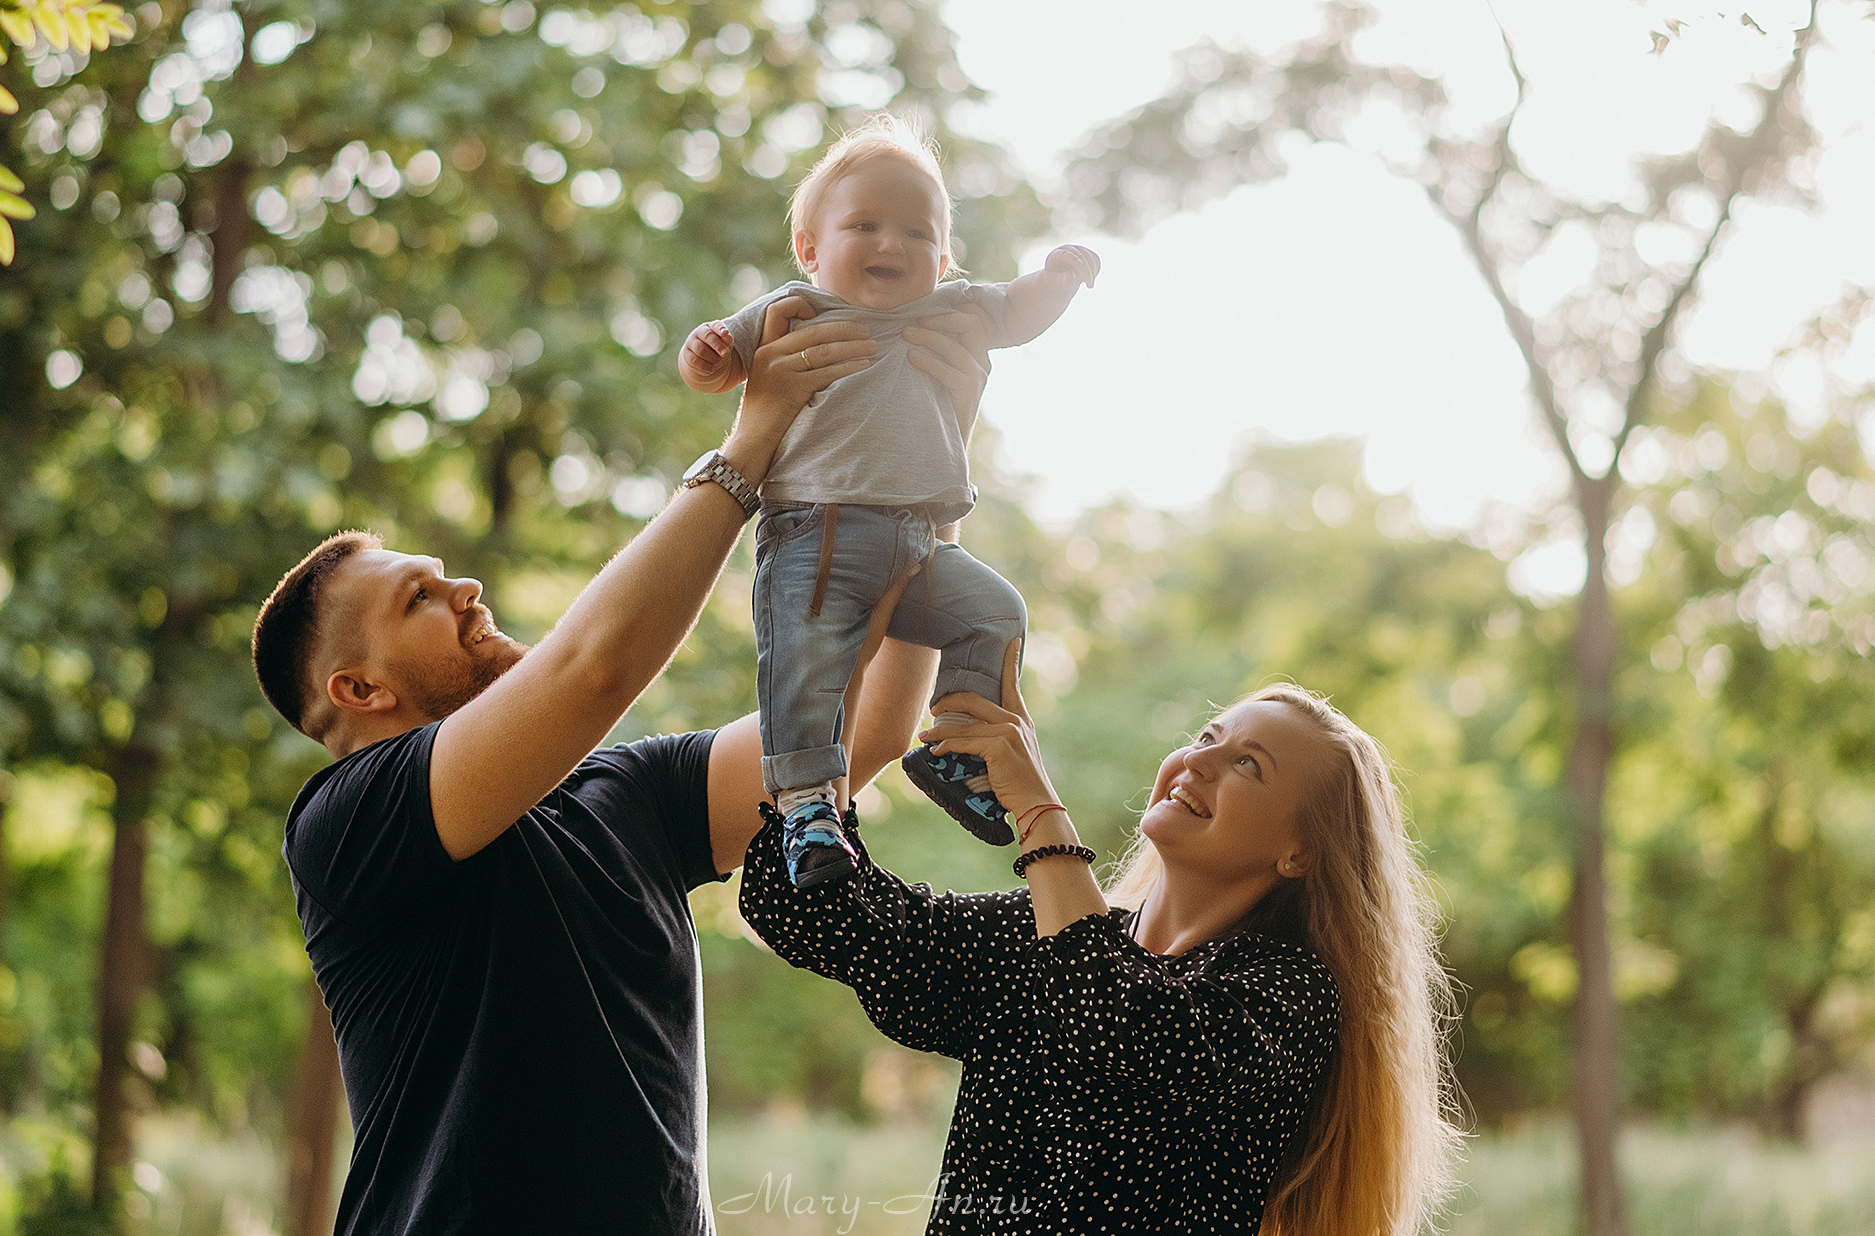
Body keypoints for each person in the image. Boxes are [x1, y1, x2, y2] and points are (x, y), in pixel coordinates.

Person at [250, 303, 992, 1236]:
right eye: (420, 599)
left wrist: (930, 473)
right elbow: (593, 666)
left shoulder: (628, 794)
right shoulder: (347, 821)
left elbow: (868, 725)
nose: (464, 588)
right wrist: (752, 438)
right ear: (357, 689)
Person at [740, 657, 1463, 1234]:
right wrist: (867, 650)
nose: (1200, 762)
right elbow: (809, 909)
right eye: (1209, 736)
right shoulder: (1041, 940)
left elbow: (1112, 1031)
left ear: (1299, 852)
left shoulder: (1287, 994)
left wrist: (1039, 810)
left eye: (1249, 764)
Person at [677, 115, 1100, 887]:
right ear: (810, 249)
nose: (891, 244)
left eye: (916, 232)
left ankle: (955, 753)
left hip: (923, 540)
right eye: (864, 225)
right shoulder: (796, 310)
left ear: (943, 260)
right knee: (807, 668)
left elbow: (1017, 309)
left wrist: (1061, 277)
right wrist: (708, 354)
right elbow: (719, 361)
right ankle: (807, 806)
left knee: (996, 612)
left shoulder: (949, 312)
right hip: (817, 532)